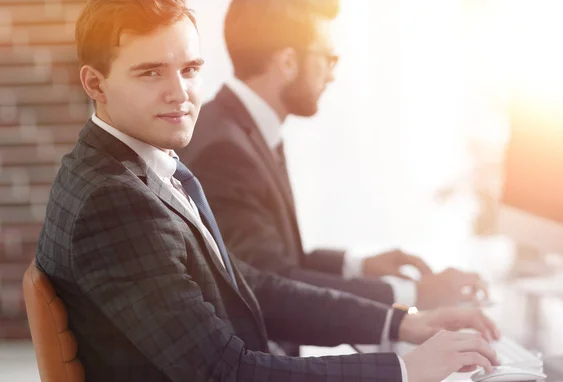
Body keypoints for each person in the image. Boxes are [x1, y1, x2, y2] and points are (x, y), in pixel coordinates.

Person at [35, 1, 501, 381]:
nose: (180, 93)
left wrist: (403, 322)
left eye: (191, 69)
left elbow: (249, 286)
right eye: (151, 73)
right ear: (95, 84)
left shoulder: (139, 166)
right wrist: (402, 369)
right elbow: (224, 372)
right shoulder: (114, 201)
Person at [179, 0, 487, 310]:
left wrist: (359, 265)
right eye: (328, 58)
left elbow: (272, 259)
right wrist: (413, 296)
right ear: (287, 63)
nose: (332, 75)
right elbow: (272, 286)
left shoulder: (237, 128)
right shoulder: (225, 151)